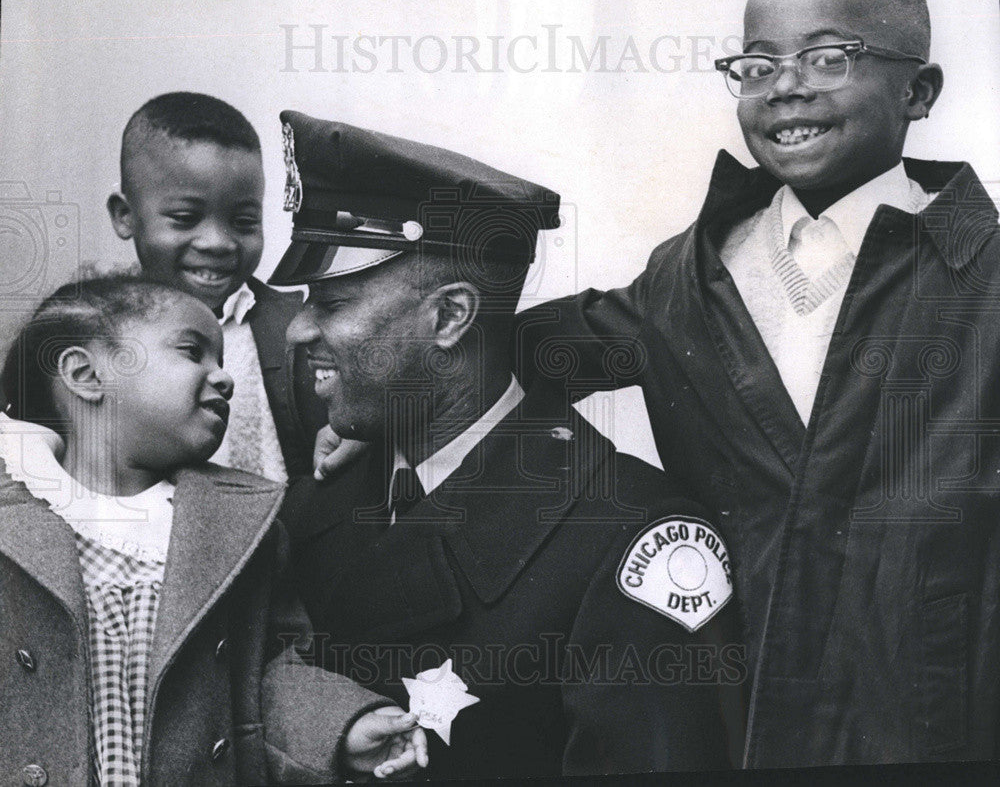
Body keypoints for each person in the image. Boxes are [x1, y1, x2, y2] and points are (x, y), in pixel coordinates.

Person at [509, 0, 1000, 767]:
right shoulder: (690, 273)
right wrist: (376, 407)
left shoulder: (983, 274)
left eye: (828, 56)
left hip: (928, 720)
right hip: (730, 719)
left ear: (918, 90)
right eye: (757, 63)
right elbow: (526, 356)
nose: (786, 86)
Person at [271, 111, 745, 779]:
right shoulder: (323, 499)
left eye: (333, 303)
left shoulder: (631, 544)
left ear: (450, 317)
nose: (296, 332)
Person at [0, 275, 428, 784]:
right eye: (191, 351)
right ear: (86, 375)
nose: (224, 378)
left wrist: (344, 725)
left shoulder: (243, 527)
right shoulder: (14, 511)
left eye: (221, 360)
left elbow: (267, 676)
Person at [106, 92, 327, 480]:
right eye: (186, 217)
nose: (218, 243)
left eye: (243, 223)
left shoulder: (300, 328)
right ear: (125, 216)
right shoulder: (96, 329)